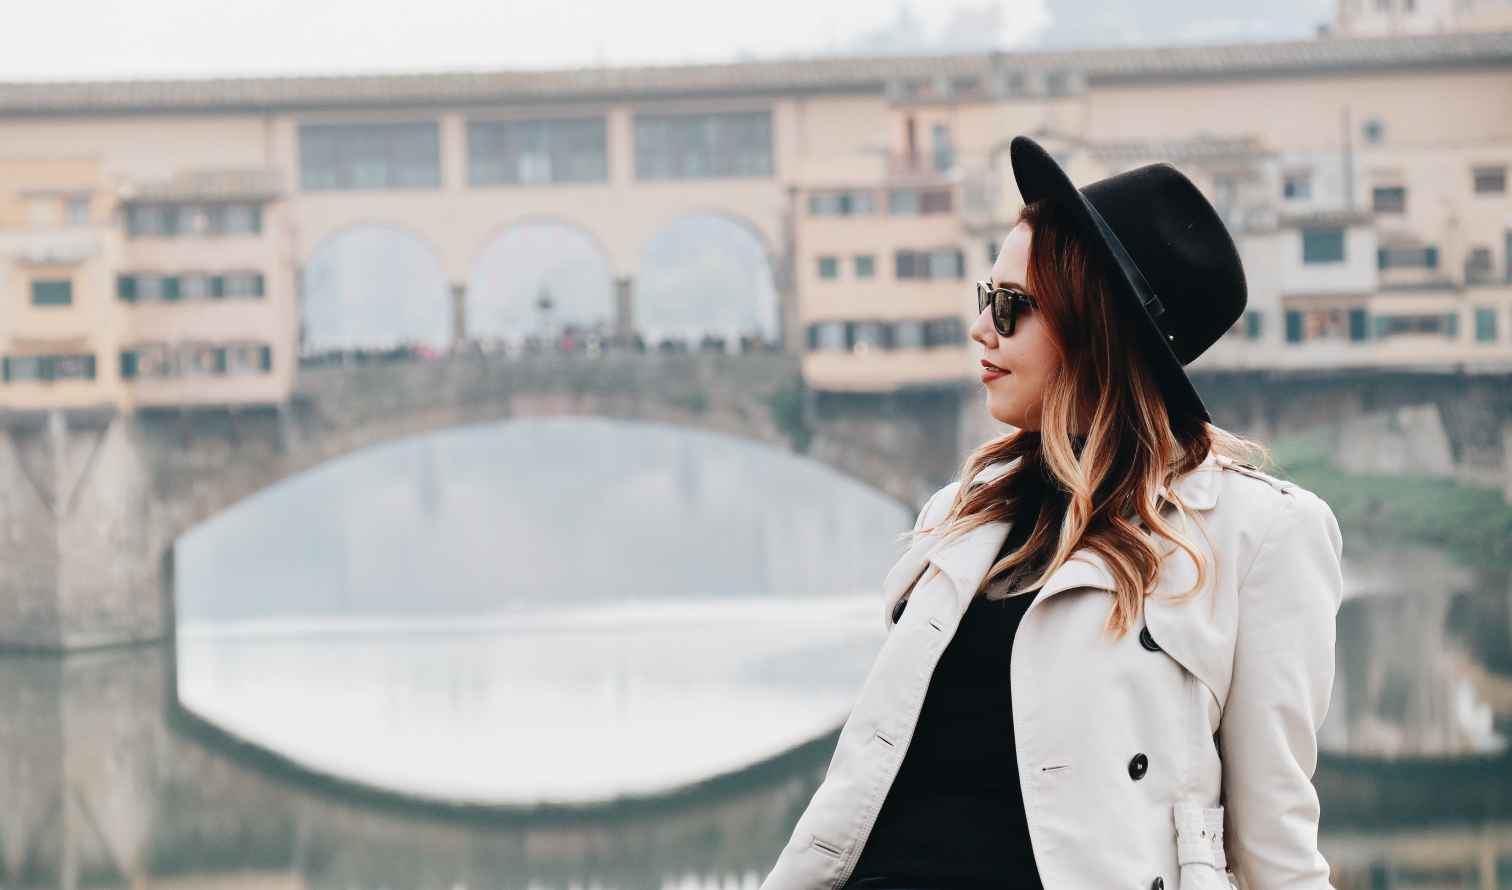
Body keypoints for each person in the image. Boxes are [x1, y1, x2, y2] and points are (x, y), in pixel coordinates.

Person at [759, 135, 1344, 890]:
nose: (982, 329)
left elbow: (1277, 852)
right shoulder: (962, 512)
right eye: (985, 298)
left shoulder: (1259, 534)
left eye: (1011, 307)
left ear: (1094, 329)